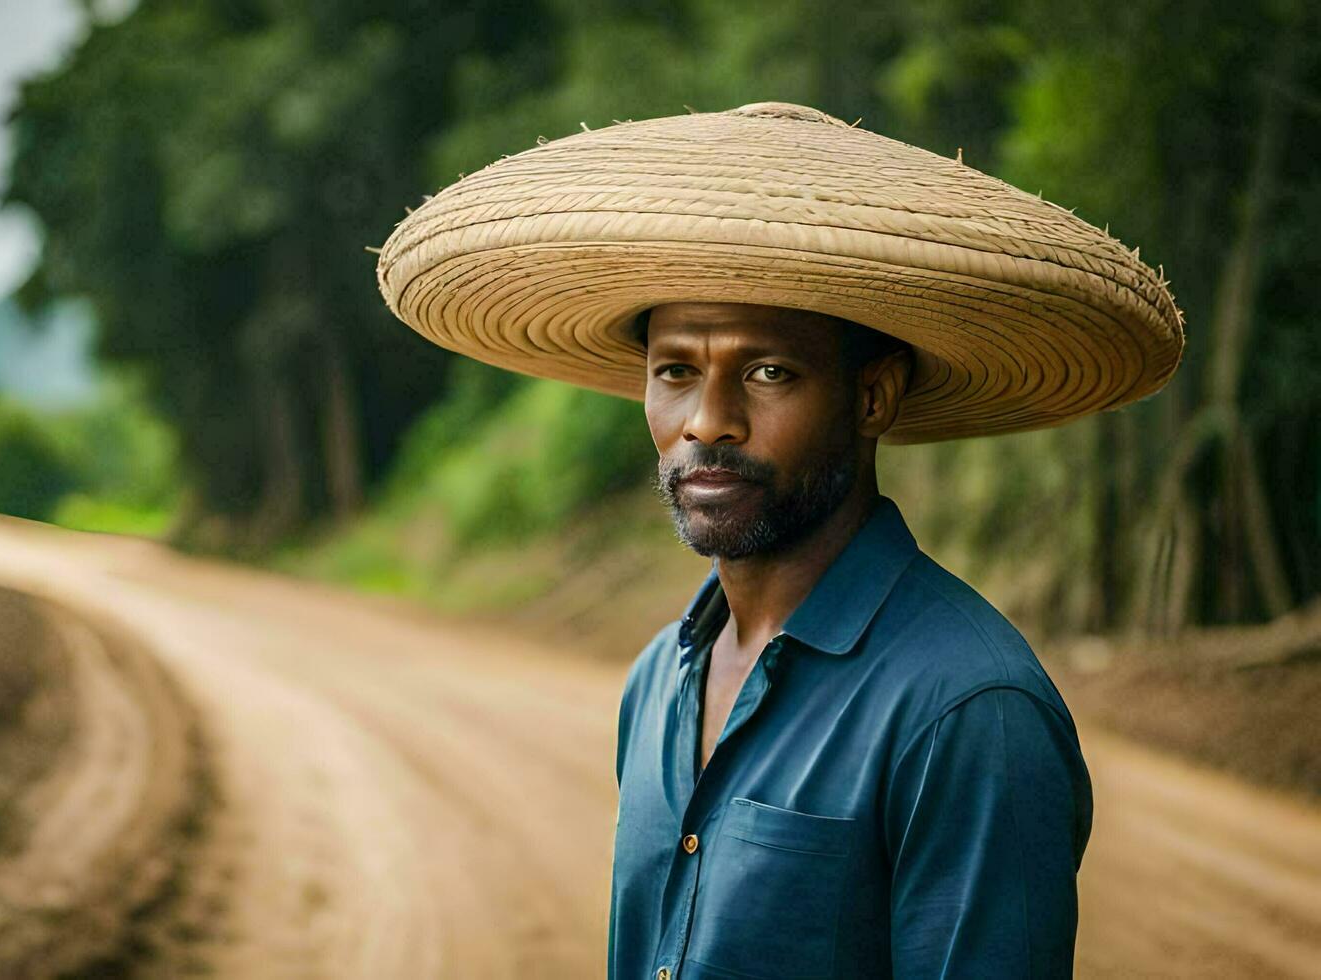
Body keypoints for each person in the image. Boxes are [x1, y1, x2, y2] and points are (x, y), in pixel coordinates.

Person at [376, 102, 1184, 979]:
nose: (708, 422)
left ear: (871, 399)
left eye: (769, 373)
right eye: (676, 371)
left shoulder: (968, 711)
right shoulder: (661, 679)